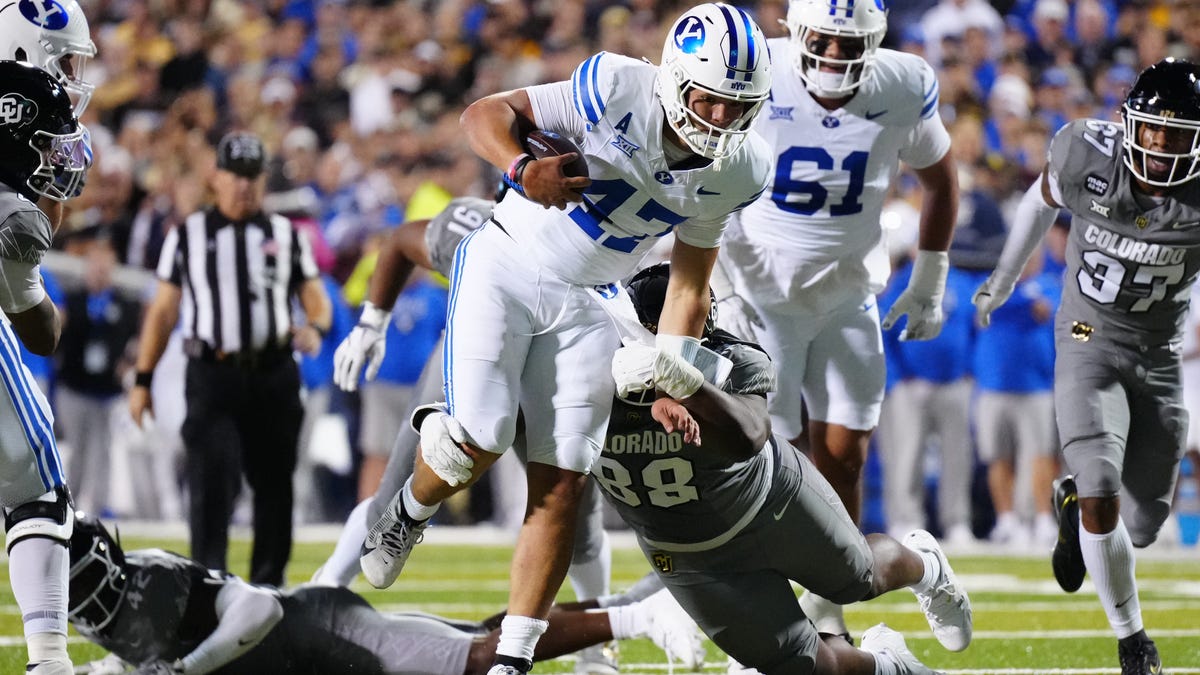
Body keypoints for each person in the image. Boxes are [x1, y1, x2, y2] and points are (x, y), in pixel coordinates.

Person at [369, 5, 774, 675]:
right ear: (674, 79)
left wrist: (674, 374)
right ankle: (408, 510)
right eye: (710, 100)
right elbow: (484, 114)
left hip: (591, 298)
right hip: (509, 260)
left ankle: (513, 660)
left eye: (739, 107)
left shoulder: (739, 167)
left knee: (564, 485)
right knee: (481, 438)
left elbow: (688, 284)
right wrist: (520, 170)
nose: (721, 121)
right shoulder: (617, 86)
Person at [587, 263, 971, 674]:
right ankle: (889, 666)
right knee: (798, 665)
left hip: (771, 504)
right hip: (685, 552)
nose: (693, 331)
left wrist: (687, 384)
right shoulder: (586, 374)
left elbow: (750, 436)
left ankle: (926, 564)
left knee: (857, 578)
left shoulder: (731, 355)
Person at [715, 0, 958, 635]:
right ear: (794, 30)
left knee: (845, 455)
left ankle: (832, 598)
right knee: (775, 458)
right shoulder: (755, 68)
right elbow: (701, 171)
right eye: (820, 38)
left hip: (849, 290)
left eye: (849, 43)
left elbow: (940, 179)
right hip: (761, 291)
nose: (833, 55)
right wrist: (718, 278)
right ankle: (801, 605)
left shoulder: (904, 82)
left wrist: (930, 275)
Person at [322, 195, 623, 674]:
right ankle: (322, 591)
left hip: (559, 369)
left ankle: (594, 645)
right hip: (475, 358)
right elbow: (401, 241)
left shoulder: (603, 241)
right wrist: (370, 323)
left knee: (574, 513)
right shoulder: (484, 229)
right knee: (397, 493)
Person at [973, 57, 1200, 675]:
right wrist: (1001, 278)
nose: (1159, 146)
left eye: (1176, 135)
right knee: (1104, 488)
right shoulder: (1085, 155)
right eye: (1152, 130)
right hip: (1087, 336)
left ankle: (1074, 502)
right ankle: (1132, 639)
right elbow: (1037, 201)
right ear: (1129, 124)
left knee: (1147, 524)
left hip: (1158, 356)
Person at [65, 512, 705, 675]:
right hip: (310, 657)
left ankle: (644, 616)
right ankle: (628, 608)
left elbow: (257, 605)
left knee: (481, 661)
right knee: (477, 635)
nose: (85, 607)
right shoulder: (115, 611)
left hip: (321, 636)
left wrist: (189, 667)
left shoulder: (153, 578)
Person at [129, 131, 332, 587]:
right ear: (216, 178)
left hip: (274, 372)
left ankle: (268, 589)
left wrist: (314, 328)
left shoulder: (287, 235)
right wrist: (143, 379)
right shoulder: (187, 235)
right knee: (210, 484)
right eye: (235, 175)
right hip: (212, 373)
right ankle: (209, 586)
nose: (244, 185)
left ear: (264, 180)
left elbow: (316, 297)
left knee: (275, 486)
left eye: (252, 175)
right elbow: (162, 312)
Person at [0, 60, 90, 675]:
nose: (58, 155)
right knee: (37, 488)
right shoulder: (12, 214)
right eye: (47, 139)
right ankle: (50, 660)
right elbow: (42, 334)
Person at [54, 237, 142, 516]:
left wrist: (129, 364)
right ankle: (70, 504)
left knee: (103, 453)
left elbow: (136, 342)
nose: (100, 271)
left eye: (105, 266)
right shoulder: (74, 300)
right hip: (75, 388)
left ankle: (98, 508)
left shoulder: (125, 304)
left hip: (107, 392)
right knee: (77, 452)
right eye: (96, 266)